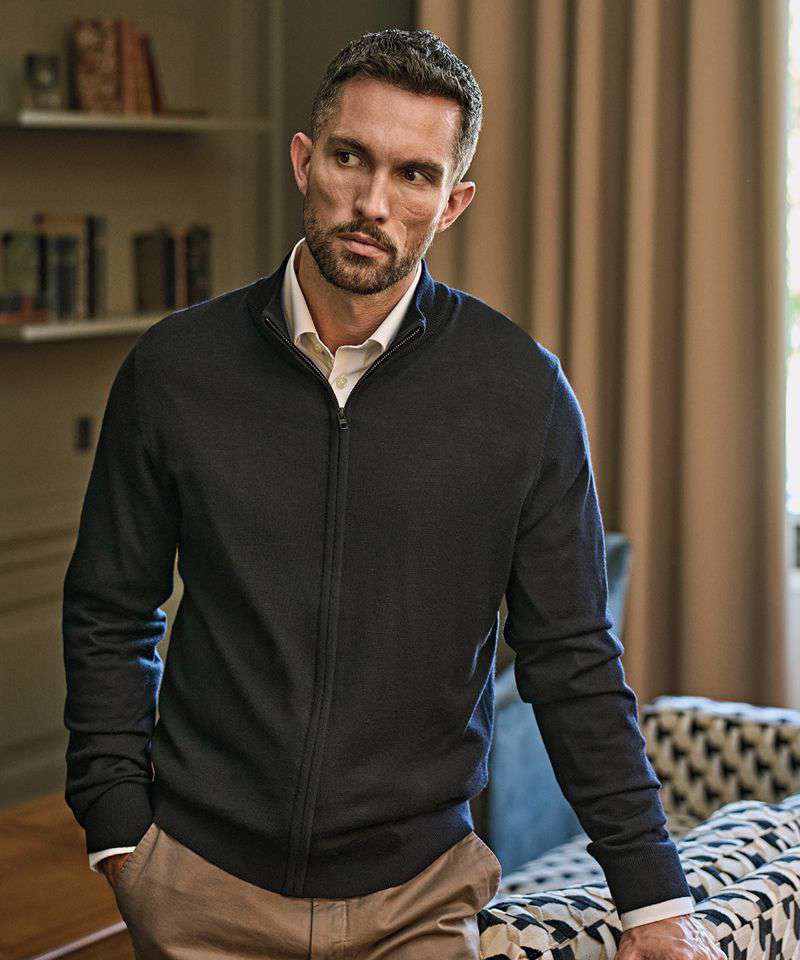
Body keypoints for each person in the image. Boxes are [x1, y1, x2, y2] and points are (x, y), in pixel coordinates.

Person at [62, 27, 724, 960]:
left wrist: (653, 899)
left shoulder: (521, 393)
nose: (373, 203)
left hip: (418, 899)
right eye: (350, 158)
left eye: (414, 175)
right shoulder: (176, 368)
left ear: (452, 203)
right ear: (305, 161)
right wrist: (118, 827)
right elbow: (110, 609)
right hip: (198, 886)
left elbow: (571, 654)